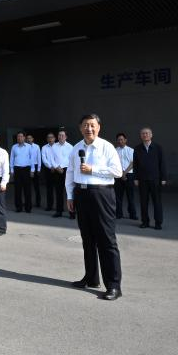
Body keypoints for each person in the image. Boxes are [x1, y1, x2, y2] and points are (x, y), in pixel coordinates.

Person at [66, 114, 123, 301]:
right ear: (80, 128)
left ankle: (113, 285)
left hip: (102, 194)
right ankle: (91, 278)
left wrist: (93, 169)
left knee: (107, 240)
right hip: (81, 194)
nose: (88, 129)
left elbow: (117, 171)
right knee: (87, 239)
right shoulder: (76, 148)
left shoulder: (107, 147)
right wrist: (70, 195)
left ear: (99, 127)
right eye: (85, 125)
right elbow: (70, 172)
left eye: (92, 125)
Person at [133, 127, 167, 230]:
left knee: (157, 202)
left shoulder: (158, 148)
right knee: (143, 202)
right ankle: (145, 222)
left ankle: (158, 223)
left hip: (155, 179)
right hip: (142, 180)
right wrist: (136, 178)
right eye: (143, 133)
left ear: (151, 135)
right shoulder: (137, 149)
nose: (145, 135)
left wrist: (163, 178)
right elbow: (135, 165)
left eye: (147, 133)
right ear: (141, 136)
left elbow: (162, 163)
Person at [49, 130, 73, 219]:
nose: (60, 137)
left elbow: (70, 159)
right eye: (59, 135)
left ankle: (72, 212)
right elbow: (51, 158)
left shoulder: (70, 147)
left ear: (66, 137)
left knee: (69, 192)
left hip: (67, 170)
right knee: (58, 191)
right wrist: (57, 167)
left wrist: (62, 166)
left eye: (62, 135)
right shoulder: (54, 146)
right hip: (57, 170)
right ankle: (59, 211)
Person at [10, 132, 36, 213]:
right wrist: (11, 170)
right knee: (17, 189)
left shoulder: (29, 147)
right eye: (18, 136)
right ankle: (18, 207)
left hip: (26, 169)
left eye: (21, 136)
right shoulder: (14, 147)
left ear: (24, 138)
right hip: (17, 169)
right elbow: (11, 159)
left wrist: (32, 170)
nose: (19, 138)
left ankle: (28, 208)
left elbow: (32, 159)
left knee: (27, 189)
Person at [114, 133, 137, 221]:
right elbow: (114, 163)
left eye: (122, 139)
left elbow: (132, 163)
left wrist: (124, 173)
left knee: (130, 196)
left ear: (125, 140)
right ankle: (119, 213)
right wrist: (121, 173)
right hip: (118, 175)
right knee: (118, 196)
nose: (120, 141)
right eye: (119, 140)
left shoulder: (131, 150)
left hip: (129, 175)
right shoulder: (115, 151)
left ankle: (132, 214)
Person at [40, 132, 57, 212]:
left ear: (54, 138)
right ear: (47, 139)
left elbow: (59, 158)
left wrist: (56, 167)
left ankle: (59, 207)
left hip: (58, 170)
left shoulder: (58, 146)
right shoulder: (44, 148)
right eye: (48, 137)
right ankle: (49, 206)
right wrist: (50, 167)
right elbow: (44, 159)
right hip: (48, 170)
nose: (50, 139)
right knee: (49, 189)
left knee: (58, 189)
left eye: (52, 137)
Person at [27, 133, 42, 209]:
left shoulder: (36, 146)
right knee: (27, 186)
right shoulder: (25, 147)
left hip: (35, 166)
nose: (29, 139)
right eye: (27, 138)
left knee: (36, 186)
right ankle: (28, 202)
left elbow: (39, 158)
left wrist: (38, 169)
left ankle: (38, 202)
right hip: (27, 167)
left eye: (30, 138)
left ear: (33, 139)